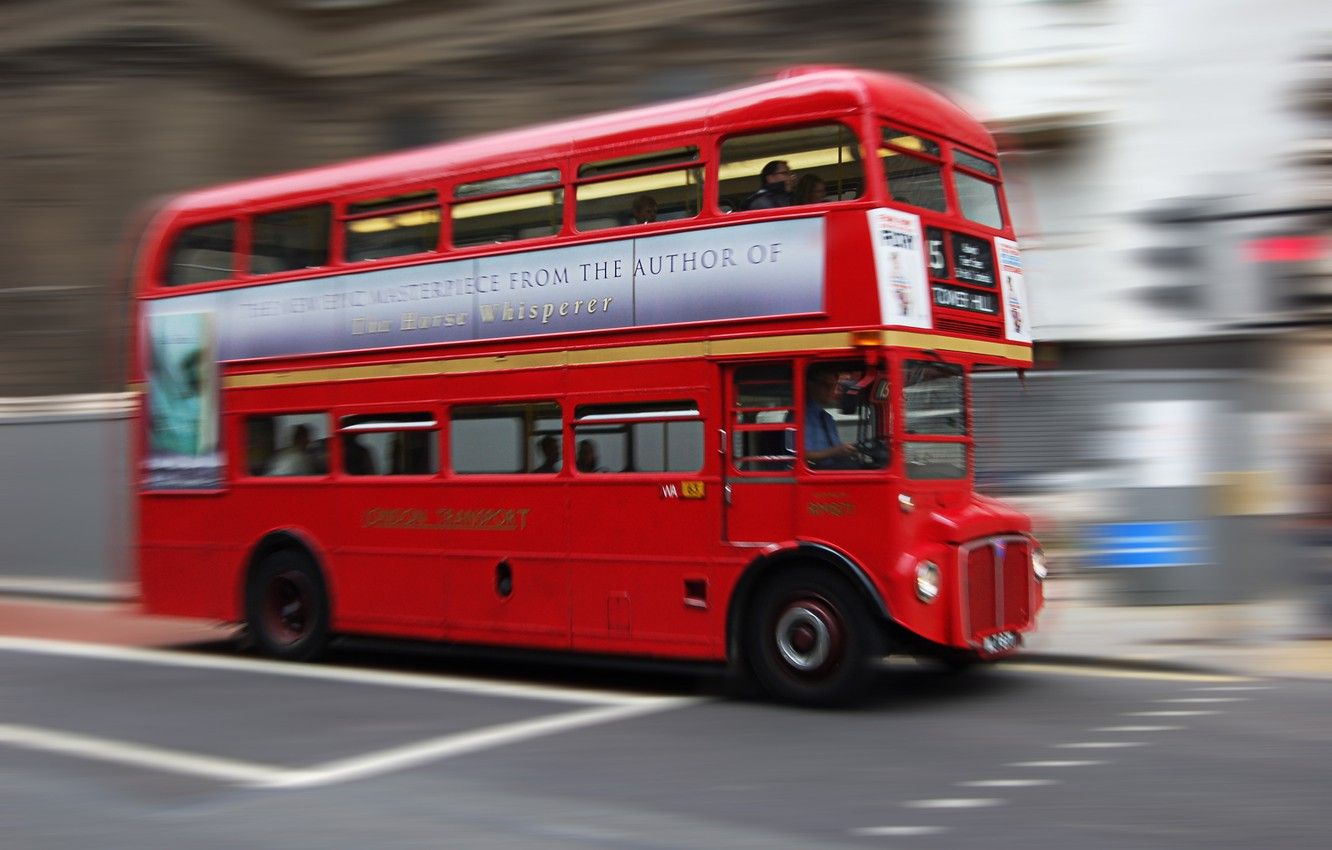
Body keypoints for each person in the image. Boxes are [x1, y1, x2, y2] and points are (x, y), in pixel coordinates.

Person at [804, 368, 858, 469]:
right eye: (827, 385)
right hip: (815, 474)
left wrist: (846, 450)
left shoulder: (827, 417)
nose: (833, 390)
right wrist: (834, 452)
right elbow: (799, 455)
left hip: (832, 469)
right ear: (811, 385)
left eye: (834, 385)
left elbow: (836, 449)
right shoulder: (799, 417)